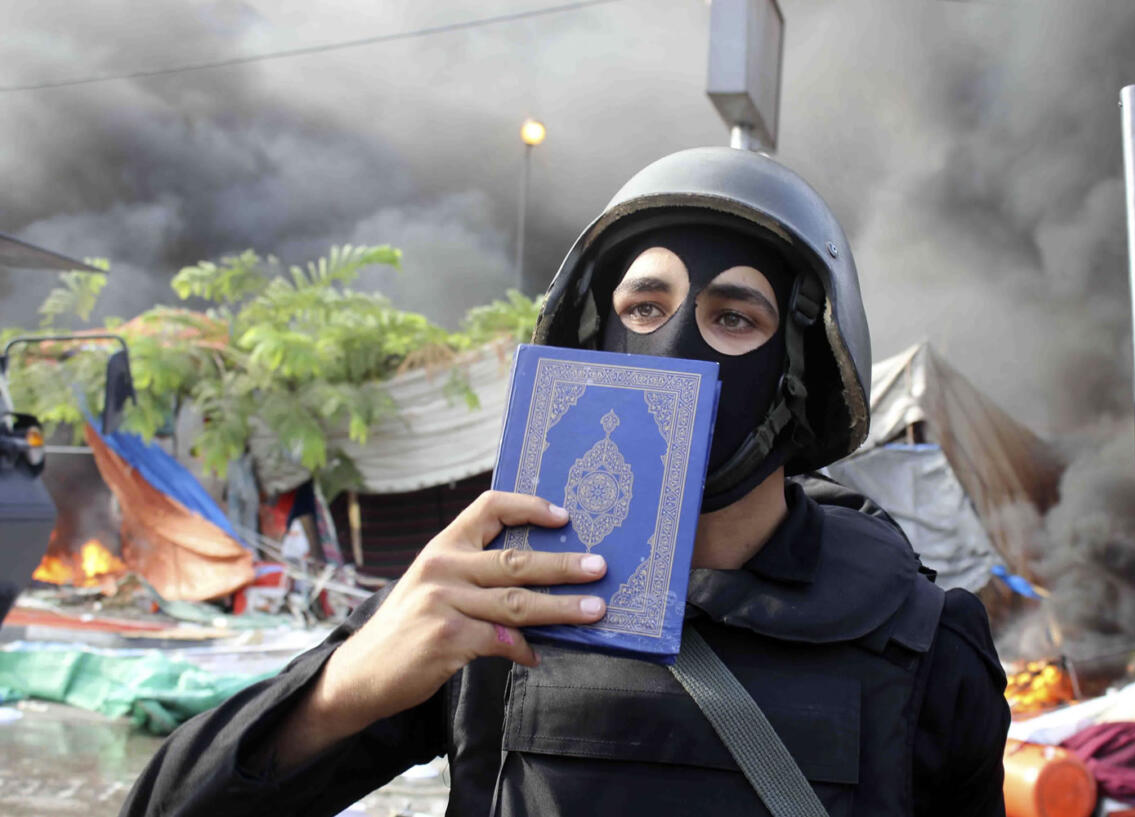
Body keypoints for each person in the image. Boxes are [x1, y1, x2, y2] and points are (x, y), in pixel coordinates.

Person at [120, 147, 1009, 817]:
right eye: (643, 307)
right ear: (595, 337)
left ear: (801, 368)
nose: (676, 345)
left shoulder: (921, 642)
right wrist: (346, 685)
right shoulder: (499, 593)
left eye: (733, 315)